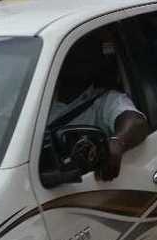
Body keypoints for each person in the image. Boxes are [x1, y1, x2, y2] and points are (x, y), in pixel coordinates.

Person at [48, 36, 148, 181]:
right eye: (72, 54)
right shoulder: (34, 95)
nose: (77, 61)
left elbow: (136, 121)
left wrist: (116, 143)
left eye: (85, 54)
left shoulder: (105, 100)